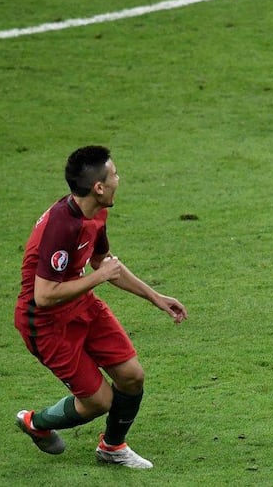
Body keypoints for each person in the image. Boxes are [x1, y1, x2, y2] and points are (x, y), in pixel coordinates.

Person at [14, 145, 187, 469]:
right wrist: (98, 278)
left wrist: (156, 298)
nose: (119, 179)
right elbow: (45, 295)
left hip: (80, 305)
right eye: (115, 174)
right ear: (98, 187)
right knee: (98, 402)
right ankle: (36, 423)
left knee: (132, 376)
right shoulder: (61, 226)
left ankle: (112, 447)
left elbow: (102, 262)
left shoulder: (96, 213)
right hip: (45, 323)